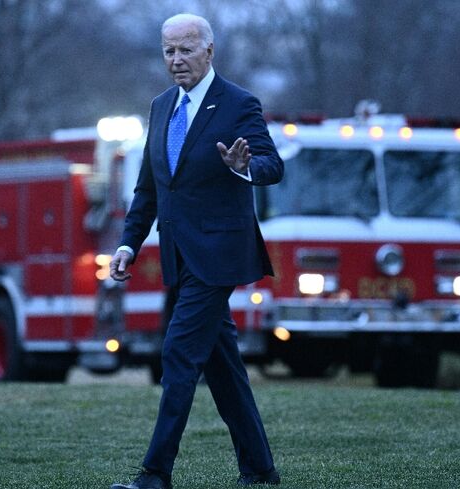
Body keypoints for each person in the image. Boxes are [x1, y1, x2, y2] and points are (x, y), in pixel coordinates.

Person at [109, 13, 283, 489]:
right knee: (223, 367)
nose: (176, 59)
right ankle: (261, 470)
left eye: (186, 49)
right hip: (180, 256)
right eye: (169, 50)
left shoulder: (239, 103)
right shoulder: (162, 106)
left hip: (221, 253)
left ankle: (154, 474)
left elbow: (273, 164)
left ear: (209, 51)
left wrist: (244, 167)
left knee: (178, 354)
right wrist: (128, 242)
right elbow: (150, 188)